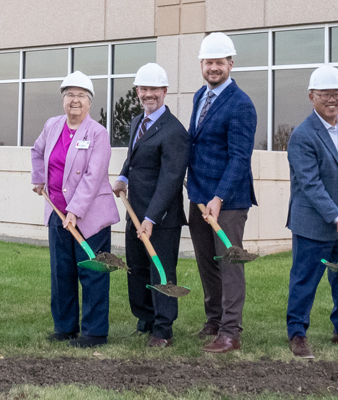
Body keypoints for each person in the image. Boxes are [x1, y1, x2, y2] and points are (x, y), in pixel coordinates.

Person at [283, 65, 338, 358]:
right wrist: (336, 218)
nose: (331, 100)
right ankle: (297, 334)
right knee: (305, 280)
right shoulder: (302, 136)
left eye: (336, 94)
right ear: (312, 96)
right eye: (324, 94)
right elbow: (310, 184)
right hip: (313, 222)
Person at [29, 71, 119, 349]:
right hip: (58, 212)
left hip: (89, 217)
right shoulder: (52, 125)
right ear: (63, 100)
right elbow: (37, 151)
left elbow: (94, 176)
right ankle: (65, 327)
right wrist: (38, 179)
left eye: (81, 95)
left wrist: (75, 211)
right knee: (62, 271)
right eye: (69, 95)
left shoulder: (98, 133)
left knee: (92, 271)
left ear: (89, 102)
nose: (75, 100)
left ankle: (94, 333)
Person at [184, 32, 260, 354]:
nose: (213, 68)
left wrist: (219, 198)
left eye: (219, 62)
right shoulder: (199, 96)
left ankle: (231, 333)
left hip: (227, 201)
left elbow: (240, 158)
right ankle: (214, 321)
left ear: (231, 63)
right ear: (201, 64)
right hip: (199, 196)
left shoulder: (241, 105)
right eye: (208, 62)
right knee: (206, 263)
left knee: (229, 264)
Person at [111, 63, 190, 348]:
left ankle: (163, 329)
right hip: (135, 210)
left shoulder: (174, 132)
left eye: (154, 89)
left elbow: (171, 180)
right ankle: (144, 320)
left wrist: (152, 218)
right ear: (137, 91)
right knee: (138, 268)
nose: (148, 94)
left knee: (161, 271)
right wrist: (122, 177)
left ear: (164, 91)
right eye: (143, 89)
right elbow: (133, 156)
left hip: (162, 217)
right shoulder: (137, 122)